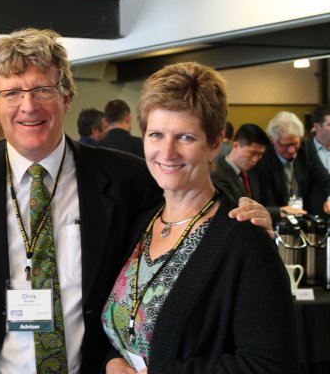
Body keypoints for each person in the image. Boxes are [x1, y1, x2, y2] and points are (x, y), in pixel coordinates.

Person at [0, 29, 272, 374]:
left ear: (67, 97)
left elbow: (189, 204)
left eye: (43, 89)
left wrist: (243, 216)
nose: (28, 106)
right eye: (12, 92)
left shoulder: (128, 180)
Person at [102, 62, 298, 373]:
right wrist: (112, 360)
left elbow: (271, 365)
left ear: (215, 143)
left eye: (185, 137)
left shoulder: (246, 241)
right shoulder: (142, 223)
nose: (167, 152)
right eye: (156, 134)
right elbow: (125, 327)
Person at [252, 110, 330, 222]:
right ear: (273, 140)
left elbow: (324, 179)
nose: (292, 150)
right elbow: (267, 201)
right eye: (286, 145)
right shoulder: (263, 160)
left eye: (295, 143)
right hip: (277, 220)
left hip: (305, 217)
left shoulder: (306, 150)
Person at [211, 123, 269, 205]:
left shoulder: (254, 172)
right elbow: (232, 208)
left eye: (260, 155)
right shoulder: (216, 174)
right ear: (236, 145)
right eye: (252, 153)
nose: (255, 160)